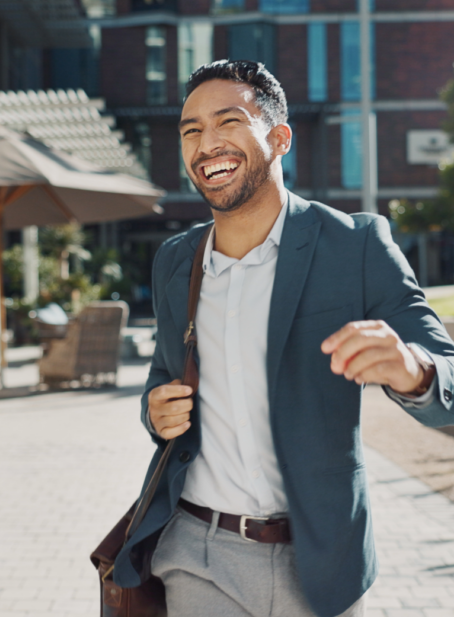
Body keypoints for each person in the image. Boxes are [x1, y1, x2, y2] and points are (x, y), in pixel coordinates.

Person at [111, 59, 454, 617]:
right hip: (197, 553)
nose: (207, 144)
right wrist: (156, 413)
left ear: (278, 136)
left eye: (228, 122)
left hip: (321, 561)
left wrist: (412, 368)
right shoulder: (177, 260)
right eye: (191, 130)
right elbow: (164, 377)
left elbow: (447, 375)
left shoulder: (357, 246)